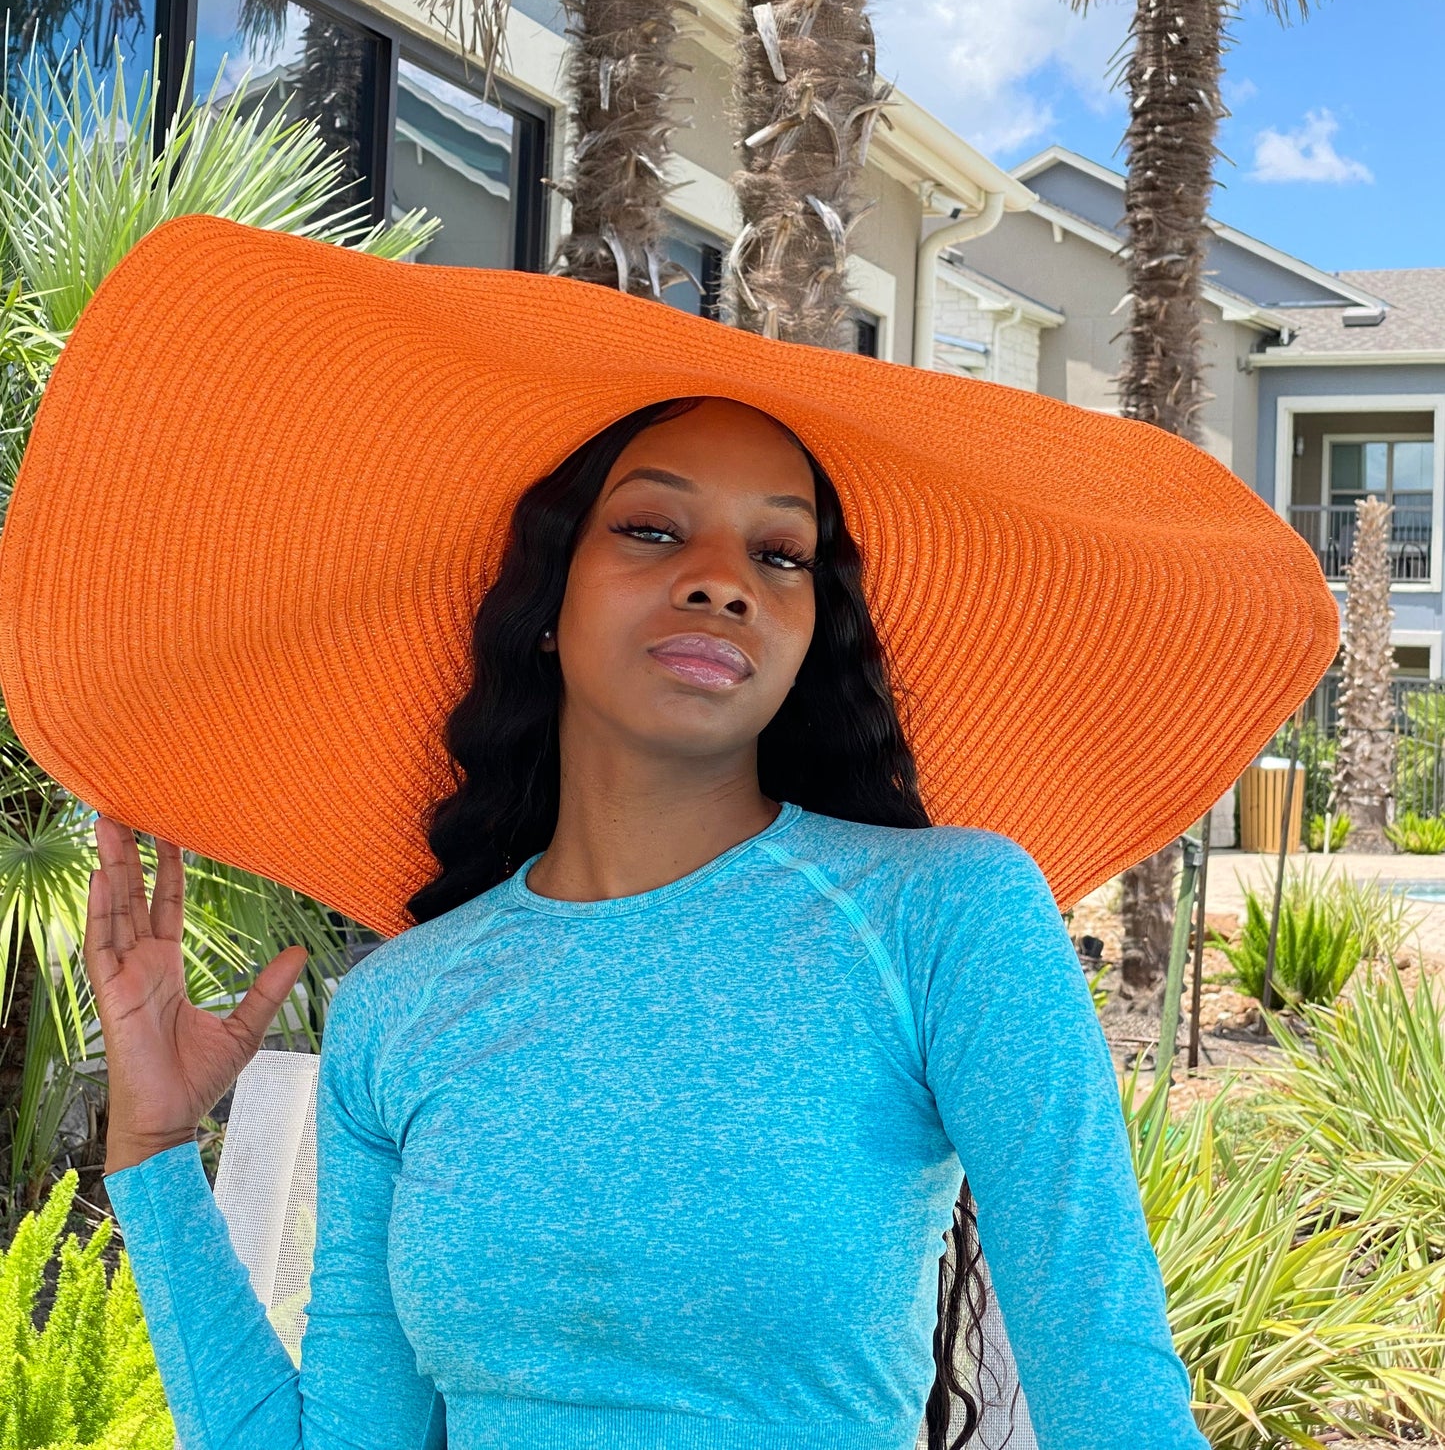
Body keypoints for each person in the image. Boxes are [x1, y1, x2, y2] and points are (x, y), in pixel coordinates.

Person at [0, 220, 1334, 1450]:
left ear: (811, 638)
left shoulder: (944, 917)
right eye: (651, 526)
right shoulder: (400, 1006)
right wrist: (155, 1150)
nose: (720, 576)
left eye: (781, 554)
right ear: (544, 600)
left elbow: (1110, 1385)